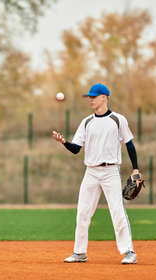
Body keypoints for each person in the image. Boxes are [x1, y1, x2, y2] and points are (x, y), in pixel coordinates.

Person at [52, 83, 141, 264]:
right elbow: (77, 149)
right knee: (83, 212)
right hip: (91, 172)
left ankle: (129, 251)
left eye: (94, 96)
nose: (90, 99)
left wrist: (136, 169)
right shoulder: (86, 122)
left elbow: (129, 145)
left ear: (104, 97)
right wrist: (64, 142)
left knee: (117, 211)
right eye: (89, 97)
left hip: (110, 171)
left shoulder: (118, 120)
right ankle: (79, 252)